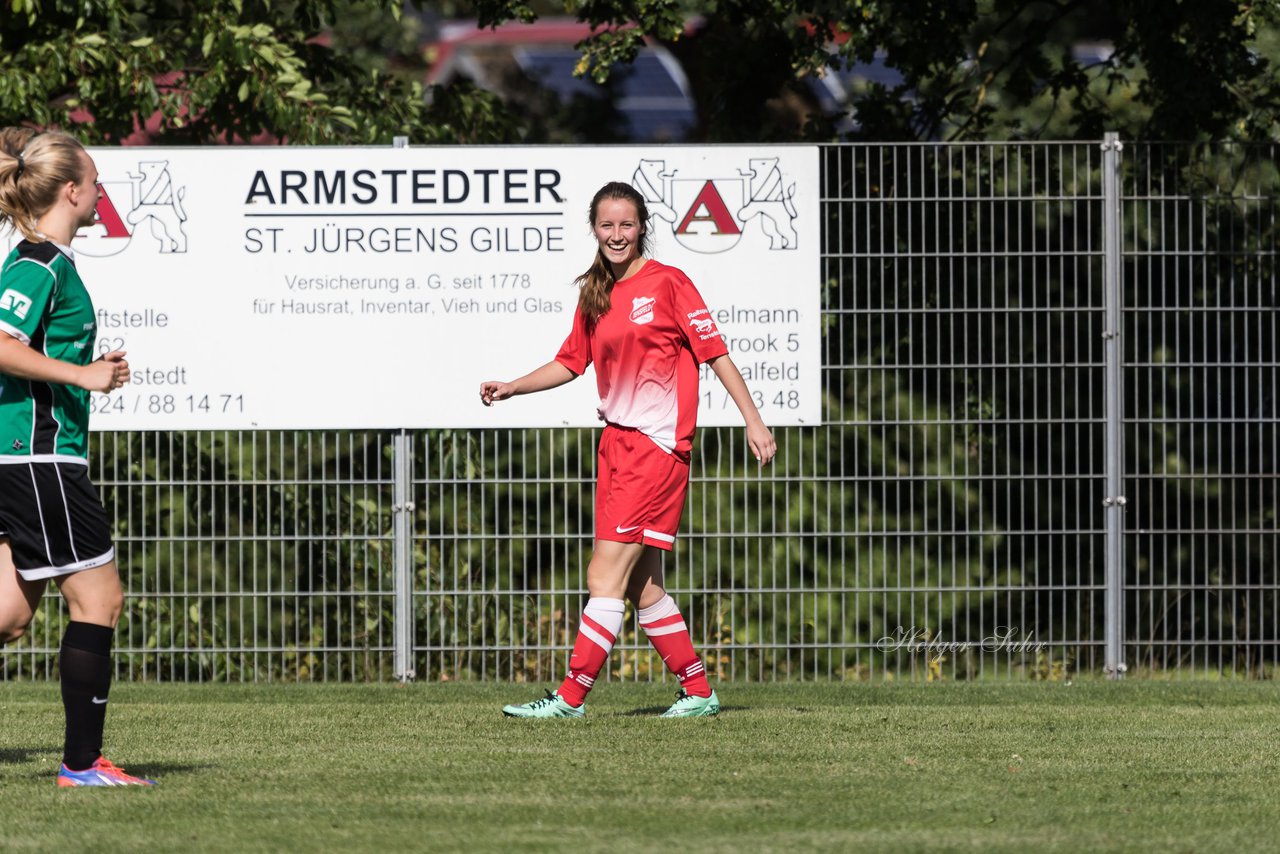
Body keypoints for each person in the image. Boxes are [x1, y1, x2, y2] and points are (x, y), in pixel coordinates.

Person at [480, 180, 776, 718]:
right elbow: (571, 362)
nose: (617, 234)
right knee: (641, 586)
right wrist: (513, 386)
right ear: (594, 229)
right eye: (606, 225)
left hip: (656, 449)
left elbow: (717, 355)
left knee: (603, 576)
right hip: (615, 446)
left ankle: (569, 700)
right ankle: (700, 693)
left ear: (643, 228)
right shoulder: (595, 292)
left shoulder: (669, 283)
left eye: (627, 224)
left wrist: (753, 422)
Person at [0, 128, 154, 786]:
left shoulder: (45, 260)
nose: (100, 194)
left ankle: (84, 764)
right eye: (94, 183)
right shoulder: (38, 263)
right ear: (71, 191)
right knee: (100, 600)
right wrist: (83, 376)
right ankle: (82, 766)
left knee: (7, 617)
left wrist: (85, 370)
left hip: (28, 460)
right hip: (38, 461)